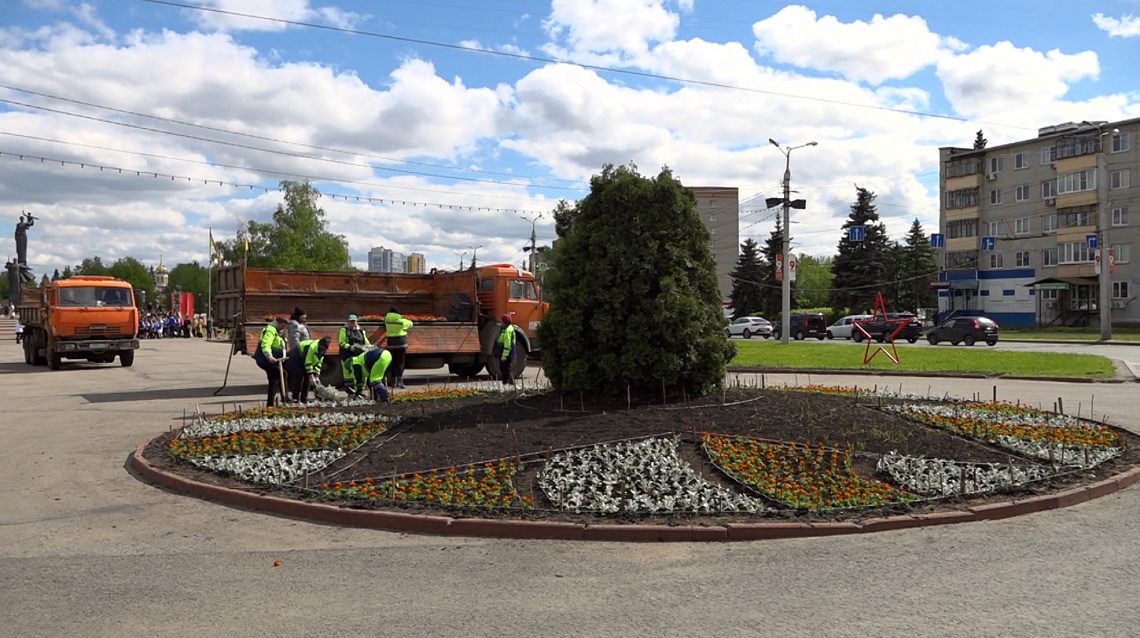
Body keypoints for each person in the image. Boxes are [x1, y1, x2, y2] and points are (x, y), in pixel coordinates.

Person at [252, 316, 288, 407]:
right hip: (266, 360)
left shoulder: (277, 330)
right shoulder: (270, 330)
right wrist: (269, 356)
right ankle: (275, 402)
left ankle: (278, 401)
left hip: (273, 360)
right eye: (283, 326)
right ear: (280, 323)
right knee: (277, 378)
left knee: (279, 377)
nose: (284, 328)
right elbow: (266, 344)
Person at [284, 336, 330, 404]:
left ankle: (304, 399)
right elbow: (308, 361)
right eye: (322, 347)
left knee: (307, 380)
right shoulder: (311, 347)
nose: (323, 349)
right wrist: (311, 375)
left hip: (303, 360)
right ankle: (295, 398)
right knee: (299, 378)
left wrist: (316, 375)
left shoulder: (322, 350)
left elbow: (318, 364)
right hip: (295, 358)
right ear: (320, 345)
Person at [383, 306, 414, 388]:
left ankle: (393, 382)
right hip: (401, 343)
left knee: (393, 362)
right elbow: (411, 324)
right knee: (400, 363)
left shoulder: (386, 320)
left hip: (391, 343)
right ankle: (400, 382)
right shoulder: (402, 321)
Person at [337, 314, 370, 388]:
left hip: (359, 356)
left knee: (361, 373)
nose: (353, 323)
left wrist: (368, 348)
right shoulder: (344, 330)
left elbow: (366, 342)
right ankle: (350, 391)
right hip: (347, 355)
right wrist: (349, 347)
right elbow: (341, 342)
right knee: (349, 374)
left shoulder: (361, 331)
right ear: (348, 322)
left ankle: (360, 390)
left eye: (354, 321)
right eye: (351, 321)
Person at [493, 313, 517, 385]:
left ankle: (509, 383)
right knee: (504, 368)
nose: (500, 321)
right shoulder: (506, 328)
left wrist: (505, 355)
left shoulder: (507, 331)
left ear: (504, 321)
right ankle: (507, 382)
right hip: (505, 352)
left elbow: (507, 345)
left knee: (506, 369)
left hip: (507, 353)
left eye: (502, 320)